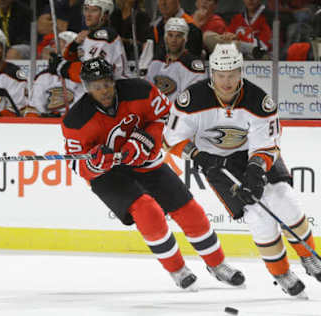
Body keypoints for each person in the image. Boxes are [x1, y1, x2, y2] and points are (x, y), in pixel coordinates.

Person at [163, 43, 321, 298]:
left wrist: (256, 170)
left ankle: (308, 257)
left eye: (232, 74)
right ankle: (281, 272)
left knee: (284, 200)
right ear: (212, 73)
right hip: (216, 162)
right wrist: (199, 157)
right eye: (221, 75)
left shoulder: (258, 101)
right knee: (257, 216)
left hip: (252, 155)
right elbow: (171, 139)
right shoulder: (191, 100)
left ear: (240, 71)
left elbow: (266, 145)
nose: (226, 82)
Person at [61, 56, 245, 290]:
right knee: (148, 211)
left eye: (107, 83)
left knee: (189, 211)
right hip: (109, 175)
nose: (104, 90)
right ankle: (177, 270)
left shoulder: (141, 90)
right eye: (96, 86)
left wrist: (146, 139)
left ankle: (218, 265)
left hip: (145, 160)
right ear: (87, 88)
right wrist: (96, 163)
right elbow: (78, 164)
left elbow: (167, 120)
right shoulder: (75, 120)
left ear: (114, 80)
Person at [61, 0, 128, 81]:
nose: (88, 15)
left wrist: (64, 68)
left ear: (105, 14)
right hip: (98, 88)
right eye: (86, 9)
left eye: (94, 10)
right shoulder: (87, 35)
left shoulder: (105, 36)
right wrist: (74, 46)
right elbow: (71, 58)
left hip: (114, 87)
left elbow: (94, 71)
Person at [145, 17, 206, 103]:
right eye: (170, 35)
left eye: (178, 36)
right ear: (165, 38)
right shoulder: (156, 63)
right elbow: (147, 93)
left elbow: (194, 97)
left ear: (185, 39)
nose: (174, 40)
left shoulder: (192, 65)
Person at [30, 31, 85, 117]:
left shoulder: (81, 75)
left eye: (60, 42)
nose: (54, 46)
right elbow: (35, 108)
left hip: (73, 123)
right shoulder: (44, 76)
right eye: (54, 43)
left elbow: (82, 107)